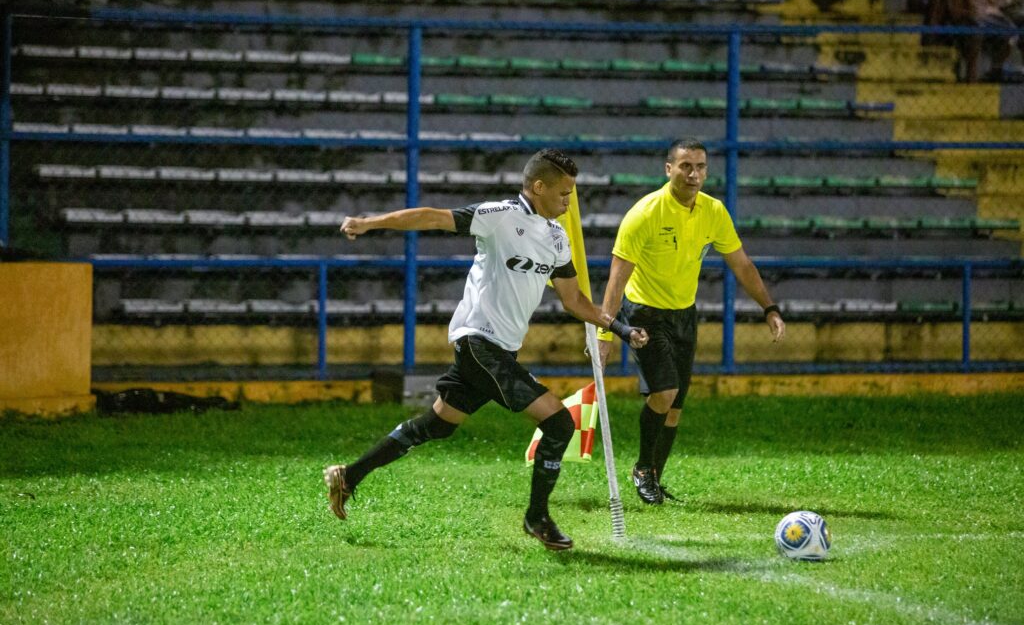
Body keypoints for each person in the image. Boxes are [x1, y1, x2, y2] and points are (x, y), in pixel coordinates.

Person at [323, 149, 649, 550]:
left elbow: (574, 300)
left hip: (502, 350)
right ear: (538, 186)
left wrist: (618, 328)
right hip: (478, 340)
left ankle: (348, 476)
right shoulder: (499, 215)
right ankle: (537, 517)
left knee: (439, 424)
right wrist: (368, 223)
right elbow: (432, 216)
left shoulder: (556, 237)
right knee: (560, 423)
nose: (568, 201)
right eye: (563, 193)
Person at [596, 138, 785, 506]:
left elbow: (742, 264)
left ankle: (654, 477)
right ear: (669, 169)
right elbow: (616, 279)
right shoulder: (645, 213)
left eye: (700, 167)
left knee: (676, 406)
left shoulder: (713, 212)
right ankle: (643, 470)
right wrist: (605, 332)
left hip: (685, 314)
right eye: (685, 166)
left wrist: (769, 308)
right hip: (644, 314)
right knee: (663, 394)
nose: (693, 174)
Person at [948, 0, 1018, 81]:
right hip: (967, 16)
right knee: (976, 26)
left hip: (992, 16)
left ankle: (996, 70)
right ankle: (971, 74)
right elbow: (972, 0)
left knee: (1012, 31)